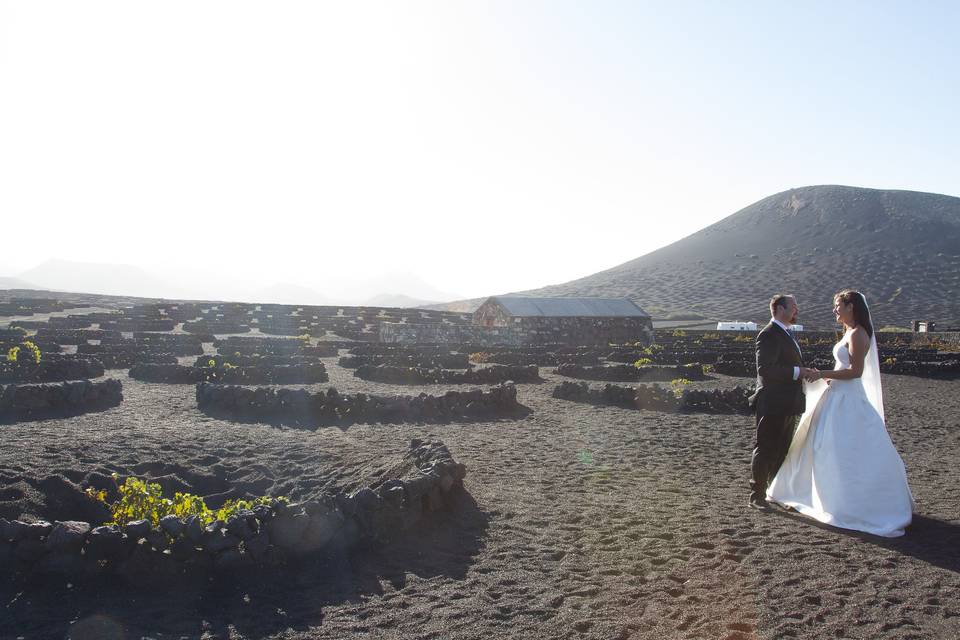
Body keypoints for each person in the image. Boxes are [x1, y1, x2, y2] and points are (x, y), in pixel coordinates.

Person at [767, 290, 913, 537]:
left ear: (851, 307)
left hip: (849, 398)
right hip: (836, 396)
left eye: (838, 305)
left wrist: (822, 373)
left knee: (843, 448)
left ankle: (847, 503)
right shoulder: (849, 333)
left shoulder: (858, 334)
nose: (835, 310)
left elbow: (855, 372)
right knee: (821, 445)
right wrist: (825, 375)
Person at [747, 294, 819, 511]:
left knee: (782, 449)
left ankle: (775, 492)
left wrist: (804, 372)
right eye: (793, 307)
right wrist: (799, 372)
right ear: (779, 309)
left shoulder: (786, 333)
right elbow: (765, 370)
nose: (796, 310)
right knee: (765, 447)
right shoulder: (768, 334)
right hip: (772, 401)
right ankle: (756, 495)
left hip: (788, 401)